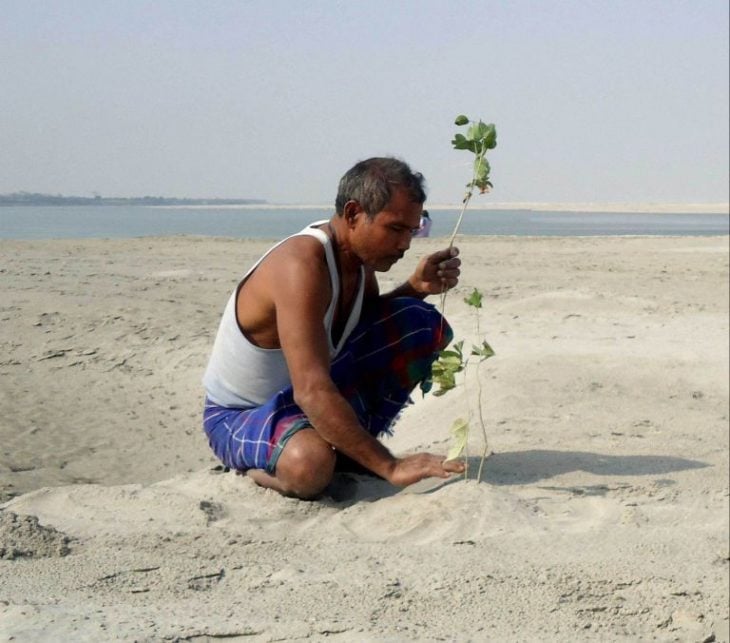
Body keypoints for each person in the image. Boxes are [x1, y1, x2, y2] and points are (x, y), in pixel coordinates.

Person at [202, 157, 464, 499]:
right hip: (240, 415)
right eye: (395, 229)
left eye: (412, 231)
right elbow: (311, 389)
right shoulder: (301, 265)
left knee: (418, 322)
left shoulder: (357, 264)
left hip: (299, 405)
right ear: (354, 214)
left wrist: (415, 288)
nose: (405, 244)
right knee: (309, 465)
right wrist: (390, 466)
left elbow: (361, 332)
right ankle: (261, 469)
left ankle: (347, 451)